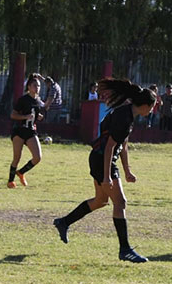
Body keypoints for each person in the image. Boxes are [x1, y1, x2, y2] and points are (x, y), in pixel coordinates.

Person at [53, 79, 156, 263]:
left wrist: (127, 171)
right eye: (152, 107)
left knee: (101, 200)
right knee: (120, 202)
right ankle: (125, 250)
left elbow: (123, 145)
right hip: (102, 159)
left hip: (98, 158)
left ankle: (64, 222)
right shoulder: (125, 117)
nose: (152, 111)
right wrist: (108, 176)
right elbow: (110, 147)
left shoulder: (128, 115)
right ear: (146, 105)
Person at [7, 75, 45, 188]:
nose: (37, 87)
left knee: (37, 157)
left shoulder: (38, 101)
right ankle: (10, 181)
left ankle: (21, 172)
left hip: (31, 131)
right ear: (29, 87)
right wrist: (25, 117)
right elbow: (13, 115)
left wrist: (38, 117)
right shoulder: (23, 99)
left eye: (39, 85)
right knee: (17, 157)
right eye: (35, 85)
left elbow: (35, 114)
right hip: (19, 130)